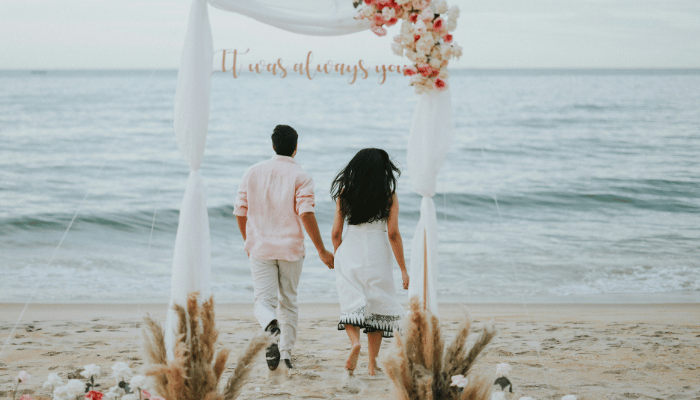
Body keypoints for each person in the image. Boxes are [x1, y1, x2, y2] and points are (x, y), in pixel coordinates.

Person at [234, 124, 334, 371]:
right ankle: (286, 355)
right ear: (296, 148)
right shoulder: (302, 176)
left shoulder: (252, 172)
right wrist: (322, 250)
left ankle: (269, 324)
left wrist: (248, 238)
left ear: (272, 145)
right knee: (288, 301)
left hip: (260, 248)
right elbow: (306, 213)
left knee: (263, 301)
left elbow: (239, 210)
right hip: (290, 249)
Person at [330, 148, 409, 376]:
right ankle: (373, 366)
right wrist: (403, 269)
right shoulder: (389, 195)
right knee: (376, 304)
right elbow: (393, 233)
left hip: (350, 249)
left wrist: (339, 256)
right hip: (378, 253)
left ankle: (355, 343)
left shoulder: (344, 194)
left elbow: (336, 233)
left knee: (351, 302)